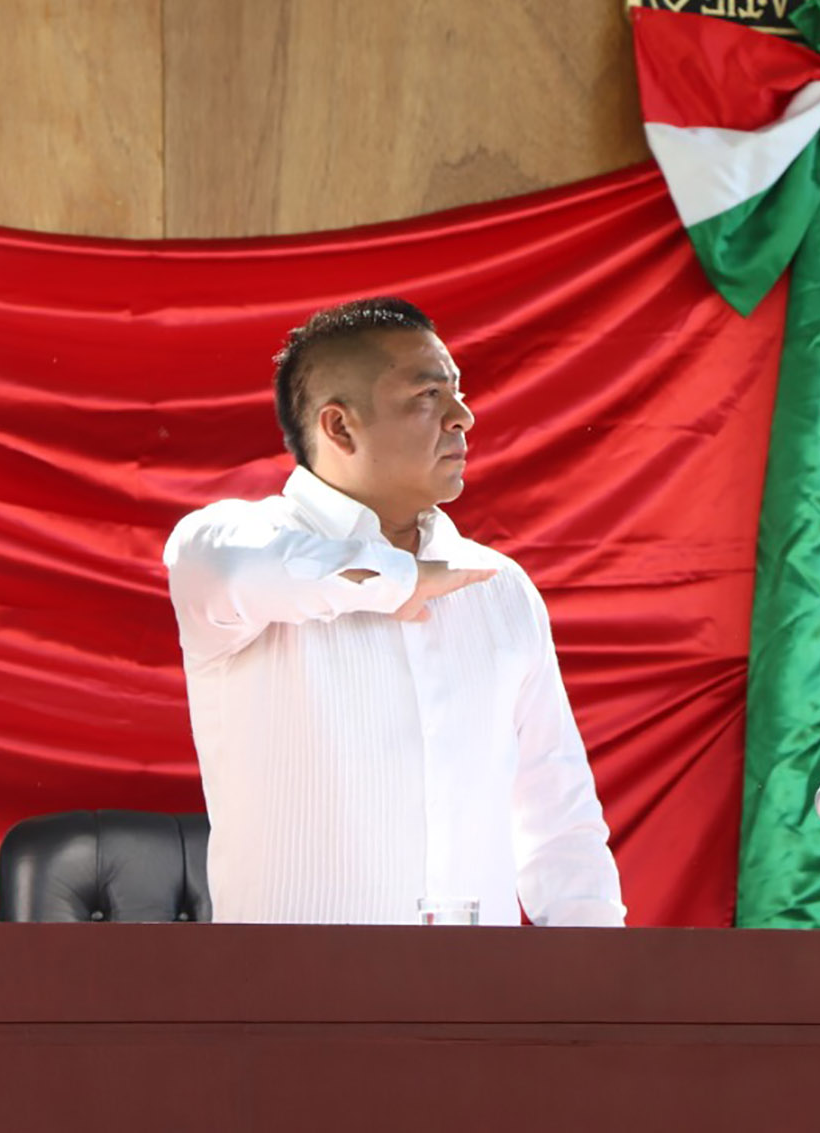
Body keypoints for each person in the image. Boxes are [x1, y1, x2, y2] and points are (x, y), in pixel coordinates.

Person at [163, 296, 624, 926]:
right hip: (288, 1010)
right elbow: (236, 570)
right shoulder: (225, 547)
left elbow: (558, 819)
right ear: (340, 427)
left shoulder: (500, 587)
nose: (463, 417)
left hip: (474, 1009)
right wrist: (399, 580)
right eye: (428, 397)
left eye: (457, 394)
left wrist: (598, 994)